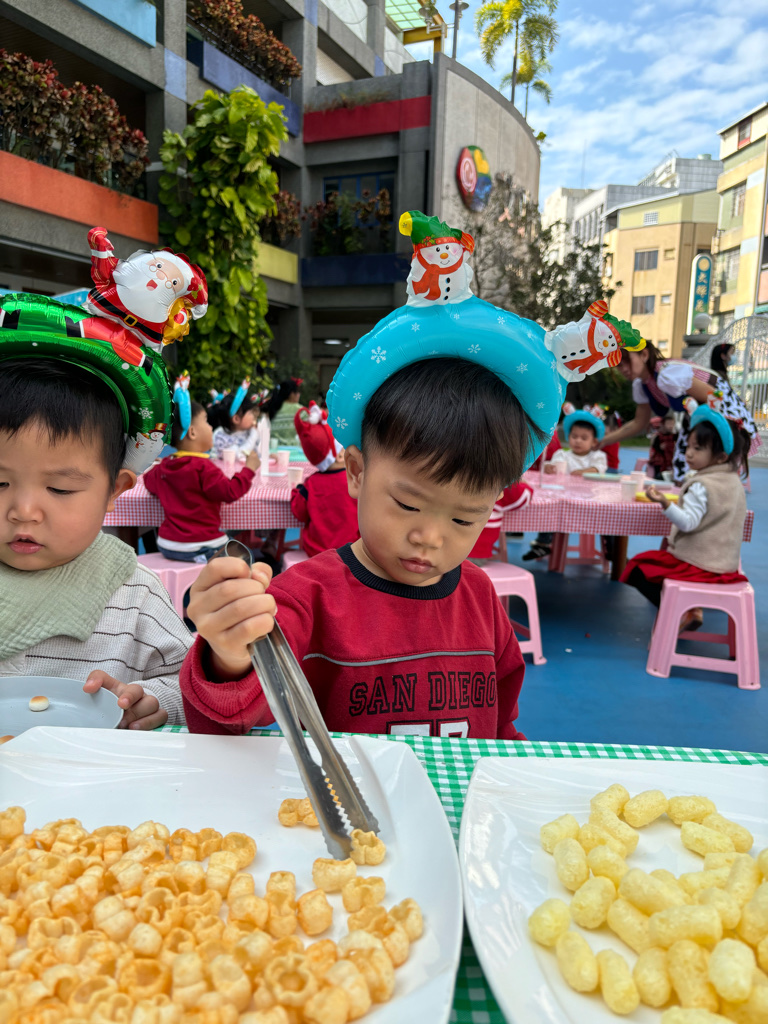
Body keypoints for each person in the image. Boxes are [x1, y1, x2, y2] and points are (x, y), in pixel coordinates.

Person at [178, 209, 629, 738]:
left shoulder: (482, 601)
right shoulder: (308, 597)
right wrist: (228, 650)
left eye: (465, 519)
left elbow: (502, 727)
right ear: (356, 471)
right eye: (408, 503)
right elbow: (233, 714)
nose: (430, 537)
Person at [0, 358, 189, 728]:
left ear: (113, 490)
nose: (24, 512)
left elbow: (189, 684)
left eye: (60, 488)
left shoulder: (135, 595)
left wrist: (151, 702)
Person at [621, 401, 750, 632]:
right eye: (688, 446)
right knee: (652, 564)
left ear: (721, 457)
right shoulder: (734, 482)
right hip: (726, 567)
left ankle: (684, 610)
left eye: (697, 448)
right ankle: (688, 609)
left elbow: (688, 523)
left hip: (697, 565)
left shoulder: (702, 485)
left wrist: (664, 503)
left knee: (637, 568)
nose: (688, 453)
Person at [598, 329, 758, 484]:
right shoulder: (643, 384)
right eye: (619, 365)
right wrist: (603, 440)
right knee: (684, 463)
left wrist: (708, 430)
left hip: (721, 412)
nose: (623, 369)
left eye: (627, 361)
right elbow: (639, 423)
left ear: (644, 355)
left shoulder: (667, 373)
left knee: (705, 463)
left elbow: (713, 396)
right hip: (698, 416)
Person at [143, 401, 261, 564]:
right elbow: (230, 492)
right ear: (192, 432)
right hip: (202, 545)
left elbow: (148, 482)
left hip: (167, 545)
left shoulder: (164, 467)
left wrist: (159, 465)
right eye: (206, 421)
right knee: (247, 559)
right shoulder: (204, 468)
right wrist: (249, 469)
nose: (211, 427)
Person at [289, 402, 359, 558]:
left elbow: (298, 512)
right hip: (351, 553)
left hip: (316, 553)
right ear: (340, 455)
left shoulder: (311, 484)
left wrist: (296, 491)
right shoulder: (356, 481)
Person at [469, 481, 532, 563]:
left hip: (457, 542)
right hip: (478, 547)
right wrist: (522, 483)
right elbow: (522, 498)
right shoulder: (499, 480)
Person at [548, 409, 608, 476]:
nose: (578, 441)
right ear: (568, 437)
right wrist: (548, 468)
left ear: (594, 442)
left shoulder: (598, 456)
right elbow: (553, 468)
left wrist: (583, 472)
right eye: (574, 437)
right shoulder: (562, 455)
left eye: (584, 438)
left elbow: (598, 469)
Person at [208, 390, 258, 460]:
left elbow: (257, 454)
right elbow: (239, 456)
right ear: (236, 419)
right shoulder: (220, 436)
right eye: (251, 413)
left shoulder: (248, 431)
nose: (254, 416)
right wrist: (254, 435)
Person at [264, 379, 303, 447]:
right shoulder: (300, 410)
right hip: (294, 450)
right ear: (291, 394)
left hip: (272, 449)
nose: (299, 395)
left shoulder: (272, 407)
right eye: (298, 392)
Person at [648, 412, 677, 480]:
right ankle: (657, 477)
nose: (671, 426)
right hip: (660, 459)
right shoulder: (659, 436)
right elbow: (654, 446)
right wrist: (659, 447)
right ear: (663, 425)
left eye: (672, 424)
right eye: (668, 424)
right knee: (658, 469)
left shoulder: (674, 436)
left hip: (670, 458)